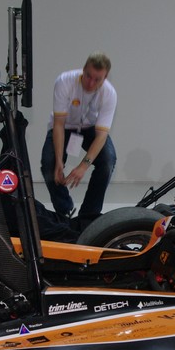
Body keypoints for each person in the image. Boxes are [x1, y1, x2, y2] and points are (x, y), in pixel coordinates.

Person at [40, 52, 117, 229]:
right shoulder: (64, 81)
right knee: (49, 163)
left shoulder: (109, 94)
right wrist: (59, 160)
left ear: (105, 77)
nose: (91, 83)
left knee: (107, 161)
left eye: (97, 79)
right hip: (64, 125)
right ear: (83, 69)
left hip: (91, 128)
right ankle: (65, 209)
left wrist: (83, 166)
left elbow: (101, 135)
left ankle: (89, 215)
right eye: (88, 76)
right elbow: (59, 124)